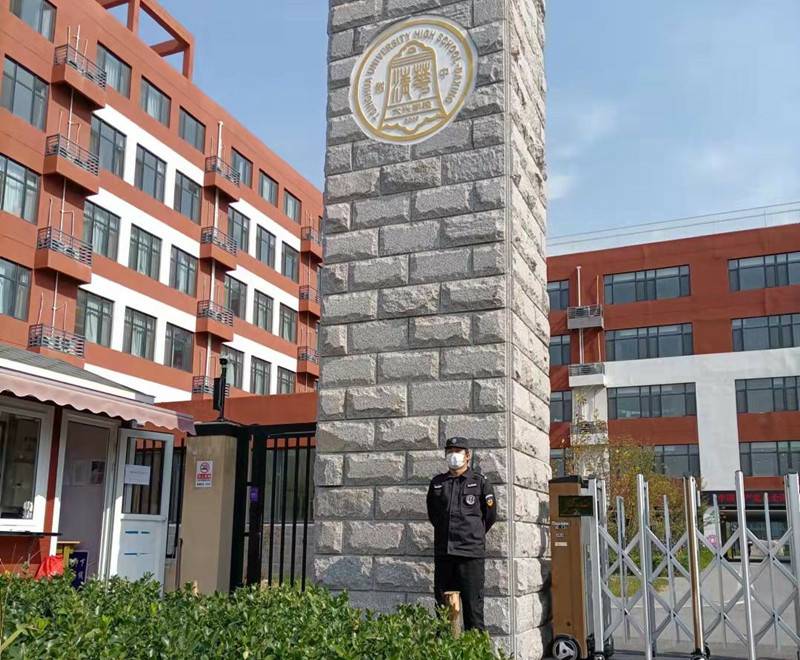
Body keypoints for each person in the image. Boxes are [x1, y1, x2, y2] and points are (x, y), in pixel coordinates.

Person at [426, 436, 497, 631]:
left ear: (467, 456)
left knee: (473, 612)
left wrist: (472, 535)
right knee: (443, 612)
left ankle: (475, 648)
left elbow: (489, 517)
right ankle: (445, 647)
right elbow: (434, 515)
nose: (453, 455)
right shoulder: (438, 483)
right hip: (445, 554)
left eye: (457, 451)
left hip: (470, 555)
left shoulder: (480, 482)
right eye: (449, 451)